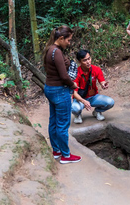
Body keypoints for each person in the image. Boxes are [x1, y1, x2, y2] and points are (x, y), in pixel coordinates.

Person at [42, 26, 82, 164]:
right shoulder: (57, 52)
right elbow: (64, 76)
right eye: (68, 40)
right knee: (62, 124)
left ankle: (56, 150)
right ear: (61, 38)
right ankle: (66, 155)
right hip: (60, 91)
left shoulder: (49, 49)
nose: (69, 43)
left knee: (53, 121)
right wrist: (73, 85)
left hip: (50, 88)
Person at [71, 49, 115, 124]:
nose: (88, 62)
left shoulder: (96, 69)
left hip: (93, 97)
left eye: (89, 58)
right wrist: (83, 101)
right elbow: (74, 93)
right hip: (80, 99)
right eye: (85, 60)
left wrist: (104, 85)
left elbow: (102, 81)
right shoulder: (76, 73)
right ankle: (78, 115)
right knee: (75, 108)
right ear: (79, 62)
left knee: (110, 102)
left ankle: (97, 112)